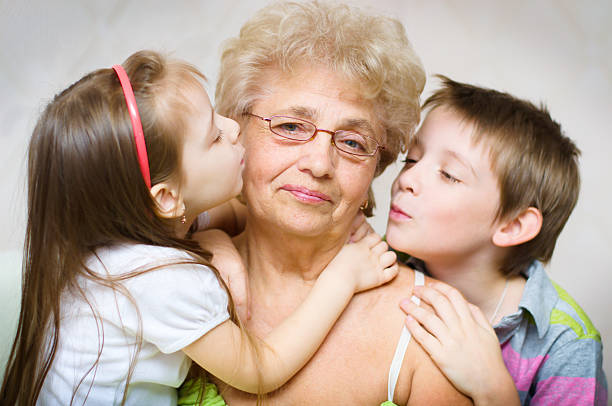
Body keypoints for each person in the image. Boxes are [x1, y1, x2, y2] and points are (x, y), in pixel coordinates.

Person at [0, 50, 400, 406]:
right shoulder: (162, 279)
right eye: (213, 136)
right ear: (167, 197)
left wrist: (219, 243)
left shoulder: (126, 235)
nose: (233, 127)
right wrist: (342, 277)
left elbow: (228, 215)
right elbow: (260, 370)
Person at [192, 1, 472, 405]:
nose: (320, 163)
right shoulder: (174, 275)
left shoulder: (429, 324)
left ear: (379, 164)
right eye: (291, 127)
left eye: (353, 142)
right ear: (236, 132)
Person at [390, 76, 608, 405]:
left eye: (449, 174)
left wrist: (493, 387)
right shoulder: (379, 260)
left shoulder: (566, 343)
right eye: (412, 158)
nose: (407, 178)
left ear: (513, 224)